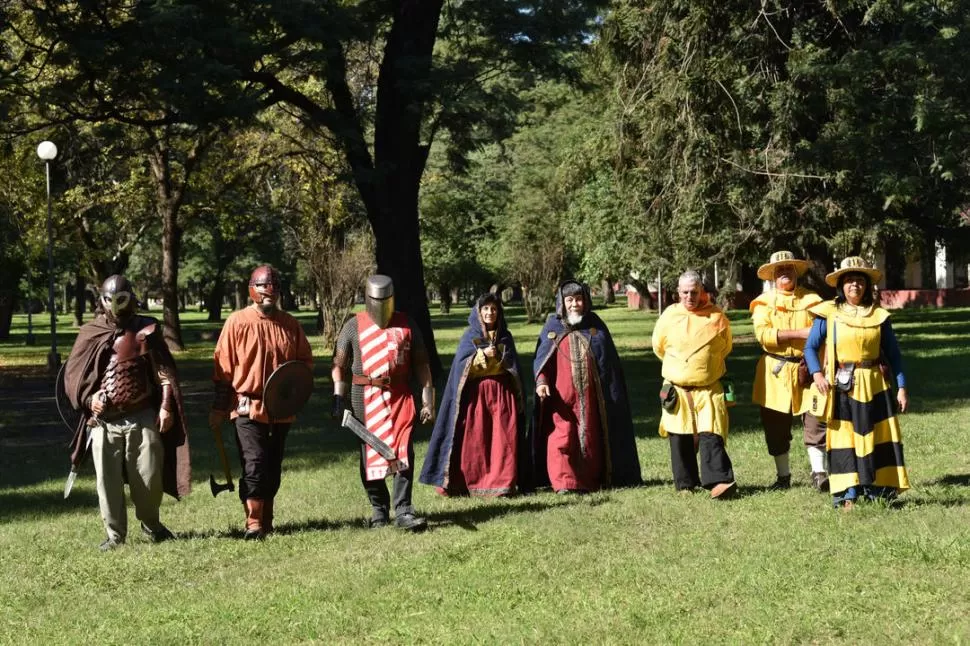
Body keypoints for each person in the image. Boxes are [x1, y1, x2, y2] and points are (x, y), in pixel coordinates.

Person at [63, 275, 191, 551]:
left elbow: (164, 373)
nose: (115, 306)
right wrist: (90, 398)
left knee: (148, 476)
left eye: (121, 299)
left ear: (131, 298)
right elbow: (75, 377)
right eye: (109, 300)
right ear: (102, 301)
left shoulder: (147, 329)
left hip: (142, 414)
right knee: (106, 482)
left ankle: (151, 523)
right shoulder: (91, 332)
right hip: (104, 422)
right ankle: (115, 534)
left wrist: (166, 406)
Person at [210, 265, 313, 539]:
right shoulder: (237, 322)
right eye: (263, 290)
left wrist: (294, 392)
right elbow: (223, 368)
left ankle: (267, 518)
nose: (269, 296)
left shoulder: (290, 324)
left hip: (280, 408)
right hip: (247, 406)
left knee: (273, 465)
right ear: (252, 290)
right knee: (254, 462)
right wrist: (220, 408)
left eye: (274, 291)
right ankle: (253, 523)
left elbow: (304, 363)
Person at [804, 256, 910, 508]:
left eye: (859, 280)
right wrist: (818, 373)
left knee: (878, 436)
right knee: (844, 439)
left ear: (866, 285)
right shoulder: (828, 313)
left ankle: (878, 492)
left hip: (875, 384)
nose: (854, 285)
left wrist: (902, 387)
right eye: (849, 280)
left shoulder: (880, 316)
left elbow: (894, 355)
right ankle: (846, 494)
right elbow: (810, 348)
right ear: (841, 285)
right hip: (843, 385)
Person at [331, 274, 435, 531]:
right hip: (363, 399)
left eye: (385, 299)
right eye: (376, 299)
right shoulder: (353, 326)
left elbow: (422, 364)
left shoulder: (407, 324)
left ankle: (404, 510)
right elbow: (339, 366)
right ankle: (379, 509)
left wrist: (428, 401)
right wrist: (338, 397)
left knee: (403, 453)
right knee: (369, 456)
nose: (380, 304)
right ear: (368, 298)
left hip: (400, 397)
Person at [529, 280, 641, 493]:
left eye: (578, 299)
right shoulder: (552, 326)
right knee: (561, 437)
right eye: (569, 300)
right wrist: (542, 381)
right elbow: (542, 358)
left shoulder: (596, 326)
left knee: (589, 437)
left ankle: (589, 479)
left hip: (591, 397)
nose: (574, 304)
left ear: (586, 301)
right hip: (560, 398)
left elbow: (608, 363)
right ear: (562, 302)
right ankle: (564, 482)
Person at [421, 293, 524, 496]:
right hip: (477, 397)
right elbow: (461, 367)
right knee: (476, 439)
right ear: (478, 312)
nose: (490, 313)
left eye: (493, 309)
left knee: (503, 439)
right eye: (485, 309)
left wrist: (502, 359)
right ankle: (472, 482)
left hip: (502, 395)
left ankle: (501, 484)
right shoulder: (470, 337)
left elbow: (514, 367)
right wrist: (480, 355)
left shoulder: (506, 336)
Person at [652, 270, 736, 498]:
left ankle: (718, 481)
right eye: (685, 292)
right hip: (677, 390)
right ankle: (685, 484)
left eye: (694, 292)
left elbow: (725, 347)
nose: (690, 296)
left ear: (702, 292)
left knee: (712, 434)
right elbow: (658, 347)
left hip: (708, 389)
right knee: (679, 438)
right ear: (678, 293)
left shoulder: (716, 317)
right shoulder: (668, 317)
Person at [750, 251, 829, 491]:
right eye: (780, 270)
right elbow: (764, 336)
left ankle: (819, 473)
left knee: (816, 419)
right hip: (774, 371)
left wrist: (804, 338)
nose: (785, 273)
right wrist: (802, 334)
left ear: (796, 272)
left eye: (789, 269)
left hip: (810, 366)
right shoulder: (763, 303)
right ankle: (783, 477)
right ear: (773, 275)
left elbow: (822, 332)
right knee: (776, 426)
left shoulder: (813, 300)